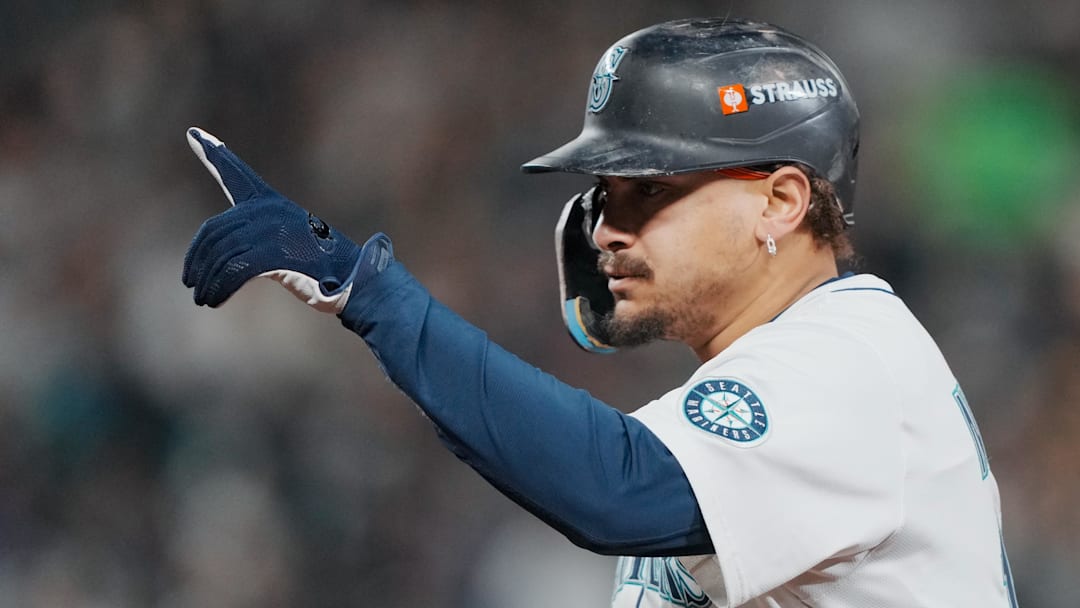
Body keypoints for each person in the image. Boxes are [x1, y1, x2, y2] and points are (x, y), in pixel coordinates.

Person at [181, 18, 1017, 607]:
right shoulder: (779, 372)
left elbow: (614, 491)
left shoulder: (847, 363)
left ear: (782, 202)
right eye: (604, 194)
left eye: (650, 190)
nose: (606, 229)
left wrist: (373, 296)